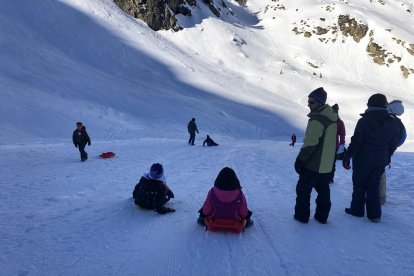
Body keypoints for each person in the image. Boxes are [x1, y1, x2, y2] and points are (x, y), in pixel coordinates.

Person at [343, 94, 401, 223]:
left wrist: (347, 156)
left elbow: (356, 141)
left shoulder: (364, 120)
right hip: (380, 159)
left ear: (370, 105)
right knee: (374, 186)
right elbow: (393, 143)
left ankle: (357, 210)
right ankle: (374, 215)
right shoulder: (392, 122)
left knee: (359, 185)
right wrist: (387, 156)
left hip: (362, 159)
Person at [293, 87, 337, 224]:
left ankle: (301, 216)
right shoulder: (332, 119)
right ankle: (322, 217)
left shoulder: (317, 120)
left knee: (303, 190)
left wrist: (300, 160)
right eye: (308, 102)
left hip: (313, 164)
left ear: (320, 103)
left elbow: (310, 143)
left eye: (312, 102)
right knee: (323, 191)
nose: (309, 104)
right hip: (326, 166)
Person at [379, 100, 406, 204]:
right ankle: (381, 198)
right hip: (386, 153)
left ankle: (369, 196)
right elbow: (403, 137)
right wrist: (392, 148)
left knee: (372, 174)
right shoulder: (398, 122)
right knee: (381, 174)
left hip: (375, 150)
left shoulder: (382, 118)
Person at [328, 103, 346, 183]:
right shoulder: (339, 122)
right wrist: (341, 146)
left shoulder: (328, 120)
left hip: (327, 145)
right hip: (335, 145)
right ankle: (330, 178)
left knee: (325, 161)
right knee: (332, 163)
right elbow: (342, 135)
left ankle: (324, 178)